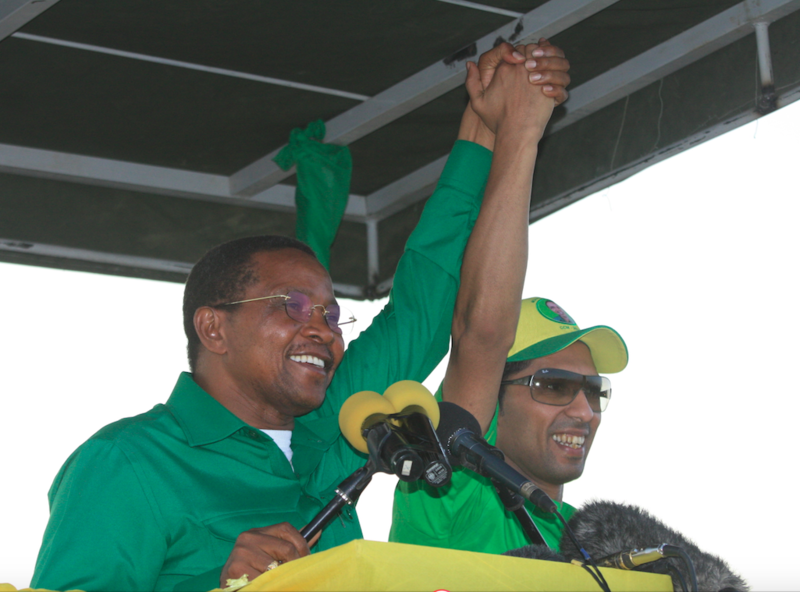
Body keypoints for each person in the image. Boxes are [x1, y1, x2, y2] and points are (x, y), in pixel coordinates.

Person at [30, 42, 570, 591]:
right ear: (214, 328)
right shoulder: (127, 463)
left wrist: (482, 128)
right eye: (291, 306)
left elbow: (424, 304)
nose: (322, 329)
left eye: (332, 315)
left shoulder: (338, 428)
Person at [390, 296, 628, 553]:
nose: (585, 412)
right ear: (492, 399)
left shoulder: (593, 542)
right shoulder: (454, 495)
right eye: (555, 386)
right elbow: (482, 336)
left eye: (594, 391)